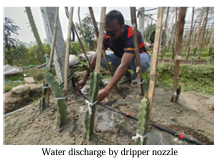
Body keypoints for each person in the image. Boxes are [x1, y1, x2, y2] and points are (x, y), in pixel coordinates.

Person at [76, 10, 150, 101]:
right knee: (101, 58)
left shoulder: (133, 34)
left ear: (122, 27)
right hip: (121, 58)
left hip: (135, 59)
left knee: (142, 60)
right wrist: (84, 79)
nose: (110, 35)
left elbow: (124, 65)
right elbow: (96, 58)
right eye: (107, 32)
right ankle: (126, 75)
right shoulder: (108, 36)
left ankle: (135, 76)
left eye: (112, 32)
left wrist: (107, 89)